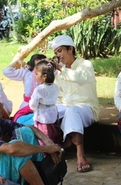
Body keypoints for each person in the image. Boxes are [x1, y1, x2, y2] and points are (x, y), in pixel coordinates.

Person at [49, 35, 99, 173]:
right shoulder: (59, 71)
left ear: (70, 49)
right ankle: (49, 149)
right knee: (46, 112)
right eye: (56, 53)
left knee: (73, 111)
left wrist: (60, 69)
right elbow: (58, 95)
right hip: (66, 105)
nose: (58, 55)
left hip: (86, 106)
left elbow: (80, 78)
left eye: (60, 51)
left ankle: (80, 154)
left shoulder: (85, 64)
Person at [3, 54, 46, 123]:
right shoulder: (26, 72)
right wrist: (17, 62)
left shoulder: (47, 74)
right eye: (37, 60)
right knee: (20, 122)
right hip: (26, 105)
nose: (40, 62)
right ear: (33, 61)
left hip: (42, 106)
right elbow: (6, 72)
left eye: (42, 60)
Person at [29, 59, 60, 145]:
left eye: (36, 74)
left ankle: (45, 152)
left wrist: (32, 106)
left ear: (44, 76)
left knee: (43, 135)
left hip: (42, 117)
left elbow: (33, 105)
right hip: (52, 113)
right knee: (52, 132)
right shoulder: (55, 86)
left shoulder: (39, 89)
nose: (34, 76)